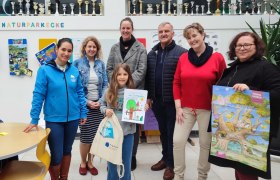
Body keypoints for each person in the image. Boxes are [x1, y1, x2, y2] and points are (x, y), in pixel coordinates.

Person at [208, 32, 280, 180]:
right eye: (239, 45)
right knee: (237, 165)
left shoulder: (265, 67)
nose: (242, 48)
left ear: (257, 47)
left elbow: (277, 93)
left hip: (251, 128)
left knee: (247, 169)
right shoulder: (234, 67)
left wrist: (251, 91)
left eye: (247, 45)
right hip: (231, 127)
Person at [24, 38, 88, 180]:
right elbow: (38, 95)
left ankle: (64, 177)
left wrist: (83, 112)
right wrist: (34, 118)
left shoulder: (74, 71)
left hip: (73, 118)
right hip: (54, 120)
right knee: (57, 153)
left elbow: (79, 93)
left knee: (67, 150)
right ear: (56, 50)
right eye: (63, 49)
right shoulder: (45, 70)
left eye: (69, 51)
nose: (66, 53)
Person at [173, 22, 226, 180]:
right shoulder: (183, 58)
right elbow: (176, 82)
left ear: (203, 35)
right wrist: (178, 107)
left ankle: (202, 176)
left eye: (194, 35)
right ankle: (178, 175)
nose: (192, 39)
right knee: (178, 141)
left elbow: (223, 83)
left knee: (205, 144)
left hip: (208, 110)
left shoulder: (217, 58)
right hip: (186, 109)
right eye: (188, 37)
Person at [145, 22, 187, 180]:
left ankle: (171, 165)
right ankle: (165, 158)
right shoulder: (152, 53)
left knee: (172, 134)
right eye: (161, 31)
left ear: (172, 33)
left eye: (166, 31)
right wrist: (149, 97)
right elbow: (149, 77)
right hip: (157, 101)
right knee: (163, 132)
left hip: (173, 103)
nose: (163, 34)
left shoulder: (182, 53)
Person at [107, 17, 147, 171]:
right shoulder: (114, 48)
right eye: (123, 28)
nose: (125, 31)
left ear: (132, 29)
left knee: (132, 126)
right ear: (120, 29)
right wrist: (117, 84)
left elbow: (141, 70)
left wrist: (128, 83)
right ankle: (114, 154)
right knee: (115, 122)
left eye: (128, 28)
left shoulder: (140, 48)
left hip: (134, 93)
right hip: (116, 91)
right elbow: (109, 68)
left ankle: (131, 155)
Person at [73, 36, 108, 176]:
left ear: (97, 49)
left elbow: (105, 84)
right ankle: (83, 162)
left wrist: (101, 100)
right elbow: (75, 87)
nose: (92, 49)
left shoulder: (101, 64)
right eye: (89, 46)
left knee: (95, 136)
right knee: (85, 136)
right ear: (84, 48)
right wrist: (87, 102)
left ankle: (90, 162)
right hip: (84, 105)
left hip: (99, 105)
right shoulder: (76, 63)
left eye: (94, 47)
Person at [100, 64, 136, 180]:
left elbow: (137, 111)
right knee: (111, 161)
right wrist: (105, 110)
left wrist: (142, 107)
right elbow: (101, 104)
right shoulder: (108, 91)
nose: (122, 77)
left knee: (126, 161)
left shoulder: (133, 93)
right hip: (112, 133)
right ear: (114, 76)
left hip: (128, 133)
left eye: (125, 74)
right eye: (119, 74)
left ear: (129, 76)